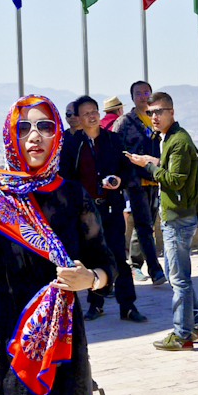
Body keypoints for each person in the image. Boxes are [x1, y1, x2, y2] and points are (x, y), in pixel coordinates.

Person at [0, 95, 115, 395]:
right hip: (8, 333)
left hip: (62, 335)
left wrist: (90, 279)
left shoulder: (74, 195)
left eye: (45, 126)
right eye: (23, 128)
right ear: (11, 136)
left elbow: (108, 264)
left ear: (57, 135)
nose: (34, 136)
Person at [126, 92, 198, 350]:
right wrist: (152, 161)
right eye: (150, 112)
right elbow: (173, 171)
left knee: (179, 279)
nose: (154, 117)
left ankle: (182, 335)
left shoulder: (179, 141)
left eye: (159, 112)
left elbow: (175, 180)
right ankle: (197, 324)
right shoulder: (170, 139)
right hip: (177, 216)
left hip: (178, 220)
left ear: (171, 112)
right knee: (181, 275)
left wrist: (150, 167)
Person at [60, 95, 147, 323]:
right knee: (91, 259)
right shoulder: (71, 144)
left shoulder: (112, 140)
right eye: (86, 112)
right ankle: (96, 303)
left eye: (94, 111)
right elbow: (65, 177)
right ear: (78, 118)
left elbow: (127, 169)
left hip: (110, 208)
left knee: (119, 257)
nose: (91, 115)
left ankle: (127, 305)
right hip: (85, 213)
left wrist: (119, 180)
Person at [113, 81, 166, 285]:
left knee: (146, 225)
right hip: (135, 182)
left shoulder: (156, 119)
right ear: (132, 97)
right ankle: (155, 269)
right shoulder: (125, 122)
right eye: (139, 93)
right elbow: (117, 151)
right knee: (144, 225)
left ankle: (135, 265)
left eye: (147, 92)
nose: (143, 96)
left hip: (155, 179)